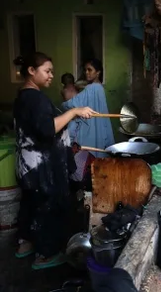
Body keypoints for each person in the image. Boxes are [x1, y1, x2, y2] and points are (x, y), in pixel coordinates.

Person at [13, 52, 96, 270]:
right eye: (47, 71)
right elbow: (47, 128)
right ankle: (45, 255)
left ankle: (26, 244)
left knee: (31, 204)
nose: (52, 75)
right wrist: (74, 112)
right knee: (48, 208)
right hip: (42, 168)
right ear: (32, 71)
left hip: (27, 166)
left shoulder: (23, 96)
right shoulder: (35, 98)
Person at [62, 59, 114, 158]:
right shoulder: (99, 88)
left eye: (90, 70)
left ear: (98, 72)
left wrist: (64, 104)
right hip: (98, 125)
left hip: (90, 127)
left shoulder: (91, 88)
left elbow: (72, 104)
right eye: (85, 70)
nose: (86, 73)